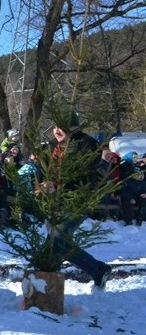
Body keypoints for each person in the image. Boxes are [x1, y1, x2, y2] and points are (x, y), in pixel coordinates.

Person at [45, 111, 112, 287]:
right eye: (56, 127)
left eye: (63, 127)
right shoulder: (53, 146)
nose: (57, 131)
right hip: (54, 201)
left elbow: (89, 174)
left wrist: (61, 186)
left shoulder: (86, 144)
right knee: (56, 241)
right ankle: (97, 269)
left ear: (73, 127)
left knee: (57, 238)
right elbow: (43, 169)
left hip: (78, 199)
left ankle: (48, 279)